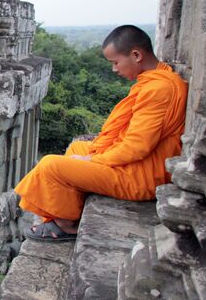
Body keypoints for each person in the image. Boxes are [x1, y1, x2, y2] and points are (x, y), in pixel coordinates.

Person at [14, 25, 188, 241]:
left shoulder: (159, 89)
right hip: (137, 163)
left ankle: (66, 224)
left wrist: (94, 159)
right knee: (78, 147)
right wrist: (93, 155)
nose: (114, 69)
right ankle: (69, 204)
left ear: (136, 55)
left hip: (141, 176)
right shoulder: (158, 78)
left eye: (115, 62)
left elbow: (137, 146)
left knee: (51, 164)